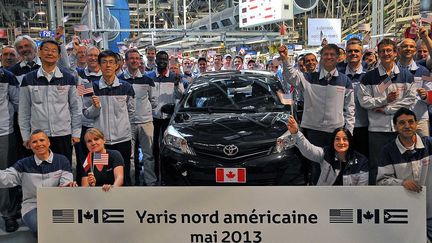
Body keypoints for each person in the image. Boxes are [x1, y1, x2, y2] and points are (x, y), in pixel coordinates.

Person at [280, 43, 355, 185]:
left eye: (332, 54)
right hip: (314, 131)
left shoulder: (345, 81)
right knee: (315, 166)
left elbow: (350, 109)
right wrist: (285, 59)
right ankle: (316, 196)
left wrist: (349, 132)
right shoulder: (308, 78)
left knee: (336, 165)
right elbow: (291, 77)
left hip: (335, 131)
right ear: (321, 57)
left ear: (338, 58)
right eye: (326, 54)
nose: (329, 57)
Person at [358, 38, 416, 185]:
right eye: (382, 51)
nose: (386, 53)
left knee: (403, 165)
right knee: (377, 166)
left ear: (396, 53)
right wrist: (383, 100)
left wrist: (387, 109)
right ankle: (376, 200)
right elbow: (364, 101)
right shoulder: (369, 77)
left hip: (402, 130)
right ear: (378, 53)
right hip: (377, 130)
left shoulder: (406, 76)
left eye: (389, 50)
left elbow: (410, 100)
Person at [0, 129, 76, 235]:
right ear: (30, 145)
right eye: (34, 142)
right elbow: (5, 177)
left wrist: (69, 187)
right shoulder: (23, 164)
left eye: (41, 140)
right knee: (40, 227)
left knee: (65, 227)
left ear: (48, 142)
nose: (39, 144)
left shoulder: (62, 160)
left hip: (57, 204)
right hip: (32, 205)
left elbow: (65, 185)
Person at [18, 40, 81, 164]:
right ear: (39, 53)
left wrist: (76, 133)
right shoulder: (29, 79)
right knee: (40, 170)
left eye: (54, 51)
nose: (50, 53)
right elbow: (24, 111)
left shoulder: (68, 78)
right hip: (38, 136)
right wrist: (25, 136)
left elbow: (76, 108)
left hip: (63, 134)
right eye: (46, 50)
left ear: (59, 56)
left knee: (63, 169)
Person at [376, 107, 432, 241]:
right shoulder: (387, 151)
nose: (407, 126)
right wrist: (402, 183)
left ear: (416, 124)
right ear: (395, 127)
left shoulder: (429, 144)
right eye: (402, 123)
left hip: (430, 213)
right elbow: (381, 182)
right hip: (405, 215)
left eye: (411, 122)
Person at [83, 50, 135, 186]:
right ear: (99, 65)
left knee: (123, 174)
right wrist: (95, 107)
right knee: (102, 175)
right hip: (101, 142)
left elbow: (131, 112)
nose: (108, 65)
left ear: (117, 65)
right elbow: (85, 113)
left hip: (122, 139)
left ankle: (125, 203)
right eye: (104, 62)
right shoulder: (89, 87)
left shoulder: (127, 87)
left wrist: (124, 128)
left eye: (111, 62)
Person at [287, 116, 368, 185]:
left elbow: (361, 190)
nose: (341, 142)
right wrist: (296, 133)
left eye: (345, 139)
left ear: (350, 141)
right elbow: (308, 149)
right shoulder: (326, 154)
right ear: (333, 142)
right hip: (324, 198)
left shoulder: (362, 162)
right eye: (337, 139)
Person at [119, 48, 157, 186]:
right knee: (129, 157)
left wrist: (145, 112)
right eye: (131, 58)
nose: (135, 61)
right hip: (127, 124)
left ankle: (150, 182)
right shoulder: (120, 80)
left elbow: (154, 101)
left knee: (149, 156)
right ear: (126, 61)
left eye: (137, 58)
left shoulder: (148, 80)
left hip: (146, 123)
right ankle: (131, 183)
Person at [397, 37, 431, 137]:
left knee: (425, 150)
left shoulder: (424, 72)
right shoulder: (390, 70)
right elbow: (380, 89)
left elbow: (431, 96)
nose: (408, 48)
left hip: (420, 119)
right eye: (405, 46)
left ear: (415, 50)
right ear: (399, 50)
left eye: (411, 46)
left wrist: (425, 96)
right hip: (398, 119)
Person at [0, 67, 20, 232]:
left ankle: (8, 214)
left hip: (4, 131)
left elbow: (17, 103)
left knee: (5, 174)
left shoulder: (7, 77)